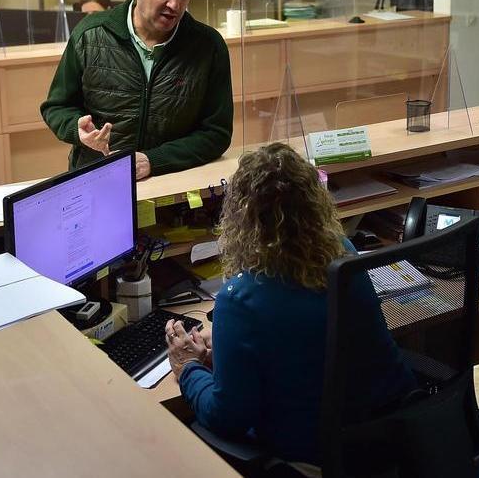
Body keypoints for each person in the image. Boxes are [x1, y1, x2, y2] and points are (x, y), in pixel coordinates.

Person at [164, 143, 416, 468]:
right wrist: (232, 348)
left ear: (241, 218)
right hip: (390, 435)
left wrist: (188, 368)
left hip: (316, 456)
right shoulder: (343, 252)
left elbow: (226, 417)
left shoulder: (240, 300)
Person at [40, 0, 232, 179]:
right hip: (97, 181)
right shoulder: (90, 35)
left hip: (171, 184)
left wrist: (154, 161)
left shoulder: (208, 47)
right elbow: (57, 107)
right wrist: (76, 129)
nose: (175, 4)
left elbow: (216, 133)